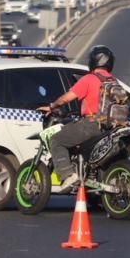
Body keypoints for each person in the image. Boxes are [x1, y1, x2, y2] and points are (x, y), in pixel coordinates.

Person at [37, 45, 117, 190]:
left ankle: (68, 176)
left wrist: (52, 106)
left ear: (94, 60)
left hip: (91, 124)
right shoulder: (113, 81)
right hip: (110, 128)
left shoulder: (90, 79)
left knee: (56, 140)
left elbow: (67, 98)